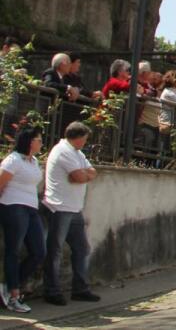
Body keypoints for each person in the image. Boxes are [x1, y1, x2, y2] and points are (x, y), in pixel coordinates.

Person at [42, 121, 100, 306]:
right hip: (59, 207)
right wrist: (82, 176)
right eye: (84, 139)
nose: (85, 142)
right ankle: (52, 291)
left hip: (74, 208)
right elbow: (80, 177)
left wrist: (83, 175)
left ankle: (80, 289)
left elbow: (91, 172)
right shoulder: (63, 151)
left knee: (81, 249)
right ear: (78, 137)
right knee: (55, 250)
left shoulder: (77, 153)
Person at [0, 129, 46, 313]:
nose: (41, 143)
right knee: (14, 250)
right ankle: (14, 294)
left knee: (39, 251)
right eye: (39, 140)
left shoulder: (34, 162)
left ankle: (11, 283)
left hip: (31, 208)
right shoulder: (13, 160)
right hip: (13, 205)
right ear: (29, 142)